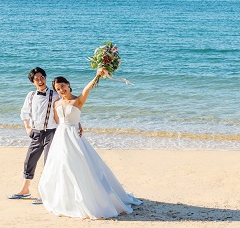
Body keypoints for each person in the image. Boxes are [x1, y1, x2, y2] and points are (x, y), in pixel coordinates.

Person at [38, 68, 142, 219]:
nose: (61, 90)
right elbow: (57, 121)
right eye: (58, 89)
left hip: (74, 136)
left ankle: (90, 198)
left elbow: (88, 88)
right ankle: (66, 199)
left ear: (68, 84)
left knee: (80, 166)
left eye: (63, 86)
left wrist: (97, 75)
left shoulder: (78, 100)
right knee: (61, 167)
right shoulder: (56, 103)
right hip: (61, 136)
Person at [8, 67, 82, 204]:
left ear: (45, 78)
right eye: (37, 79)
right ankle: (25, 189)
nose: (40, 80)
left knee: (49, 163)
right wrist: (28, 128)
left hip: (52, 132)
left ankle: (44, 193)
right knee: (29, 160)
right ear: (32, 82)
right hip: (35, 132)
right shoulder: (30, 96)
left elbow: (68, 107)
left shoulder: (55, 94)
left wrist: (78, 124)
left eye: (42, 77)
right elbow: (24, 112)